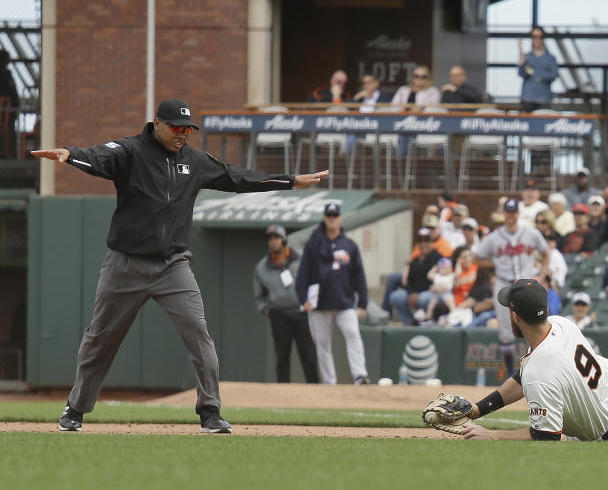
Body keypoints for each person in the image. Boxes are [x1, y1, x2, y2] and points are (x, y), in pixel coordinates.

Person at [35, 98, 330, 434]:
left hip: (173, 266)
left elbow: (237, 177)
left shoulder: (194, 160)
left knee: (199, 334)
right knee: (100, 337)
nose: (183, 134)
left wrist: (290, 181)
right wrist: (71, 155)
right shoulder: (132, 151)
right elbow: (102, 155)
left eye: (188, 129)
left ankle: (210, 412)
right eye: (176, 127)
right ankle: (75, 409)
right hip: (126, 264)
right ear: (157, 123)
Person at [459, 279, 608, 442]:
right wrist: (477, 410)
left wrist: (492, 435)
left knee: (571, 437)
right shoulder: (558, 323)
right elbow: (523, 376)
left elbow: (546, 437)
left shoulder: (539, 369)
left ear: (515, 317)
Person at [296, 202, 370, 385]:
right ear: (324, 218)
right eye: (329, 216)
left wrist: (363, 303)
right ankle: (330, 382)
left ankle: (360, 375)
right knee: (322, 345)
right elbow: (303, 273)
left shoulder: (349, 245)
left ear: (340, 218)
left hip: (344, 302)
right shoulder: (314, 243)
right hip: (319, 304)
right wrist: (302, 298)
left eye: (334, 216)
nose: (332, 219)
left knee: (353, 335)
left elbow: (359, 275)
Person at [473, 199, 549, 376]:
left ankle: (539, 371)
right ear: (504, 213)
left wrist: (543, 273)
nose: (511, 215)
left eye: (513, 212)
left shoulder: (531, 233)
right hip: (504, 282)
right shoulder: (494, 237)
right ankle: (509, 375)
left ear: (518, 213)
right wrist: (494, 263)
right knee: (506, 330)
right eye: (508, 212)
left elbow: (546, 251)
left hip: (526, 283)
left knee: (535, 326)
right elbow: (476, 258)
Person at [253, 224, 319, 384]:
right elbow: (259, 295)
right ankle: (283, 392)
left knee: (309, 356)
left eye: (276, 238)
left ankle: (315, 389)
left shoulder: (300, 259)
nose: (273, 242)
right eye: (270, 239)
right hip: (279, 315)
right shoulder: (262, 267)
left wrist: (311, 301)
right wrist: (266, 310)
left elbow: (313, 281)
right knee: (282, 357)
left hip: (301, 312)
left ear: (283, 239)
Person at [389, 228, 443, 325]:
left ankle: (431, 322)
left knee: (423, 298)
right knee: (396, 297)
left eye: (426, 240)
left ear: (432, 242)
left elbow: (438, 281)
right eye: (420, 241)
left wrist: (417, 295)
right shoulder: (415, 260)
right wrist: (411, 294)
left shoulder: (439, 258)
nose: (423, 244)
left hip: (432, 294)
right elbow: (408, 281)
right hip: (415, 293)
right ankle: (411, 323)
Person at [517, 26, 558, 112]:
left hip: (544, 99)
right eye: (534, 36)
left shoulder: (551, 58)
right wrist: (521, 64)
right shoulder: (527, 57)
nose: (537, 39)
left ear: (543, 38)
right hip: (527, 98)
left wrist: (535, 73)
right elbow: (521, 73)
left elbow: (554, 75)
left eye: (540, 36)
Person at [424, 258, 456, 325]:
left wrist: (458, 264)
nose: (446, 270)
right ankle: (428, 318)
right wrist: (434, 269)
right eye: (443, 268)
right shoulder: (437, 276)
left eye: (448, 268)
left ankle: (454, 315)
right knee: (431, 305)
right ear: (439, 269)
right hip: (436, 294)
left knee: (450, 304)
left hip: (446, 293)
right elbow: (429, 275)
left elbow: (458, 273)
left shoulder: (450, 276)